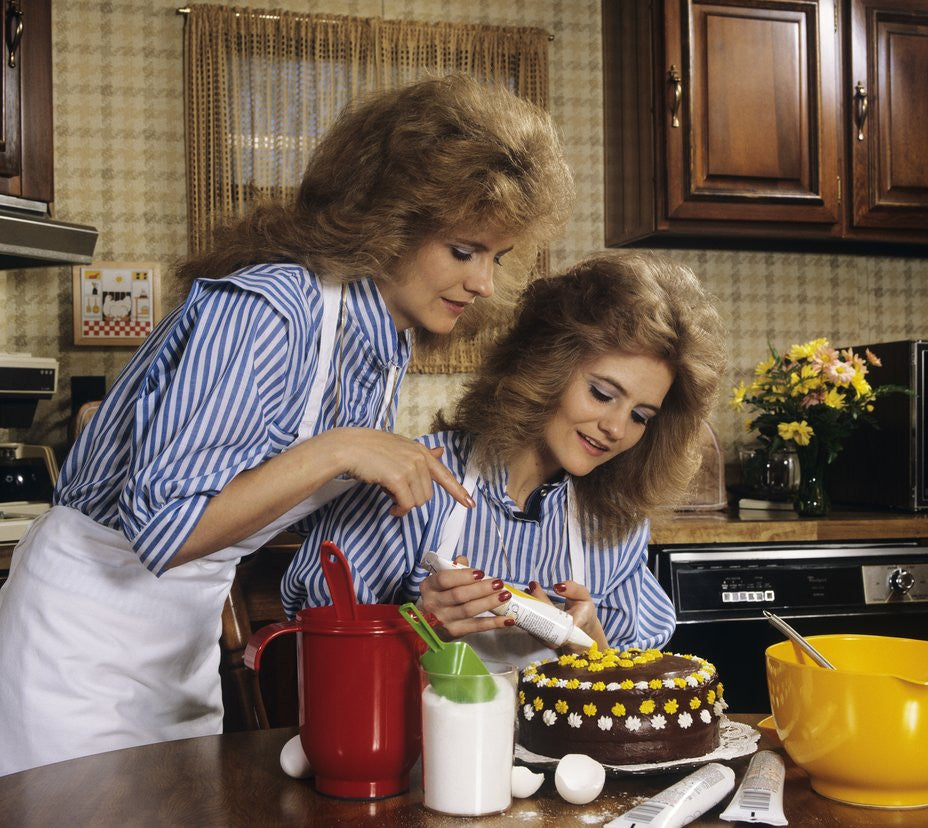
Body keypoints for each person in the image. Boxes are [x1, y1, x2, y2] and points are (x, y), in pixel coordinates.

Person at [0, 75, 573, 775]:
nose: (484, 282)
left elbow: (288, 513)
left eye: (498, 257)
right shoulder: (272, 308)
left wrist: (465, 588)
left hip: (182, 643)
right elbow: (164, 531)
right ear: (387, 218)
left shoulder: (380, 345)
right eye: (464, 250)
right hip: (77, 642)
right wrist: (340, 449)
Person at [282, 251, 726, 665]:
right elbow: (320, 650)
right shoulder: (421, 481)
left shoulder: (613, 522)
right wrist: (417, 628)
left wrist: (591, 645)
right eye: (602, 394)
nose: (616, 428)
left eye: (641, 416)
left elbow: (632, 693)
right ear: (546, 367)